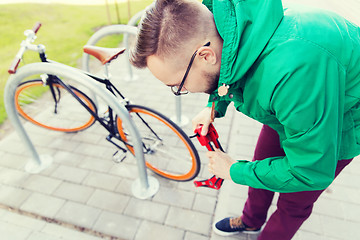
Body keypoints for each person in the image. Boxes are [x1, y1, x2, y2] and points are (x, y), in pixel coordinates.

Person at [129, 0, 360, 239]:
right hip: (297, 106)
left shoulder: (292, 73)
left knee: (294, 202)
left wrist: (233, 170)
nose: (180, 90)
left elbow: (308, 172)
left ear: (205, 56)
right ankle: (251, 221)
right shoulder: (230, 30)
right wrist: (213, 107)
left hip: (343, 123)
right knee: (262, 163)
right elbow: (231, 67)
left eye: (178, 85)